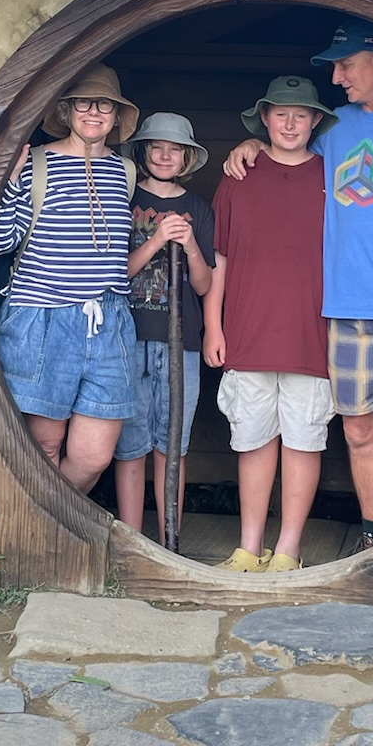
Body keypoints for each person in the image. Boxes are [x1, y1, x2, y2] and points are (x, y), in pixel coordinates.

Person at [225, 22, 373, 549]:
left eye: (345, 64)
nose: (336, 78)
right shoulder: (335, 127)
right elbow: (289, 142)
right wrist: (248, 142)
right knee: (359, 433)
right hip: (345, 309)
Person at [204, 76, 337, 572]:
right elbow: (220, 259)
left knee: (304, 441)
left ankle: (289, 550)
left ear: (316, 121)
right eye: (280, 113)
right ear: (264, 117)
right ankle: (249, 547)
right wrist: (214, 328)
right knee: (253, 440)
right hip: (247, 329)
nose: (289, 123)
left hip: (311, 335)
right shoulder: (239, 176)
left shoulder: (332, 177)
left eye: (300, 115)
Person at [0, 64, 140, 493]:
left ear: (115, 115)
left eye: (104, 105)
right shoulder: (37, 161)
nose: (94, 112)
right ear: (68, 110)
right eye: (83, 104)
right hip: (42, 315)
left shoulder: (125, 171)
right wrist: (11, 179)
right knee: (43, 445)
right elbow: (1, 242)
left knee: (94, 457)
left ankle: (51, 537)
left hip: (109, 320)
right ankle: (41, 547)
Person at [115, 112, 215, 543]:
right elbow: (116, 273)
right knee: (131, 443)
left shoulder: (197, 209)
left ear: (187, 157)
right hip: (129, 334)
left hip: (182, 341)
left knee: (172, 444)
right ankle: (133, 541)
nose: (164, 155)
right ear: (142, 151)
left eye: (174, 149)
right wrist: (156, 239)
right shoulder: (124, 196)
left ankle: (168, 542)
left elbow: (204, 284)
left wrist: (190, 244)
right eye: (156, 146)